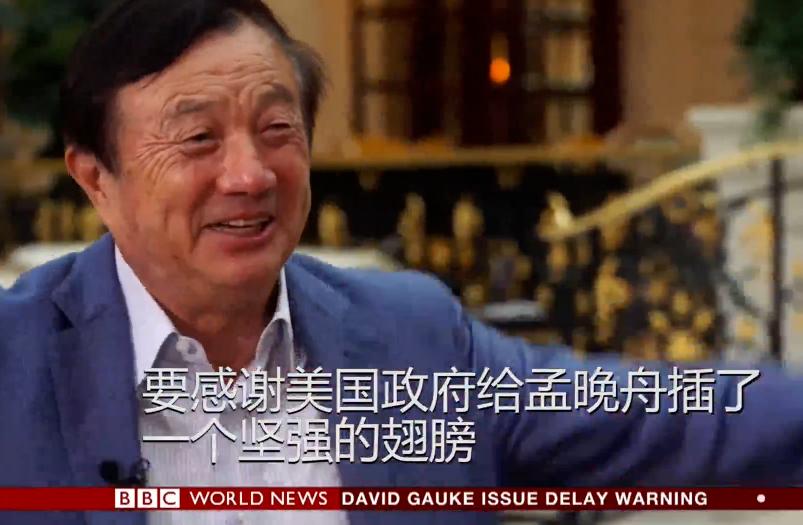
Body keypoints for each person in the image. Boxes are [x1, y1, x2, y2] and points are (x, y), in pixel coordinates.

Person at [1, 1, 803, 524]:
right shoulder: (17, 362)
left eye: (277, 130)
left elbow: (664, 414)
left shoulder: (409, 337)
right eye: (198, 138)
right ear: (95, 178)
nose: (248, 175)